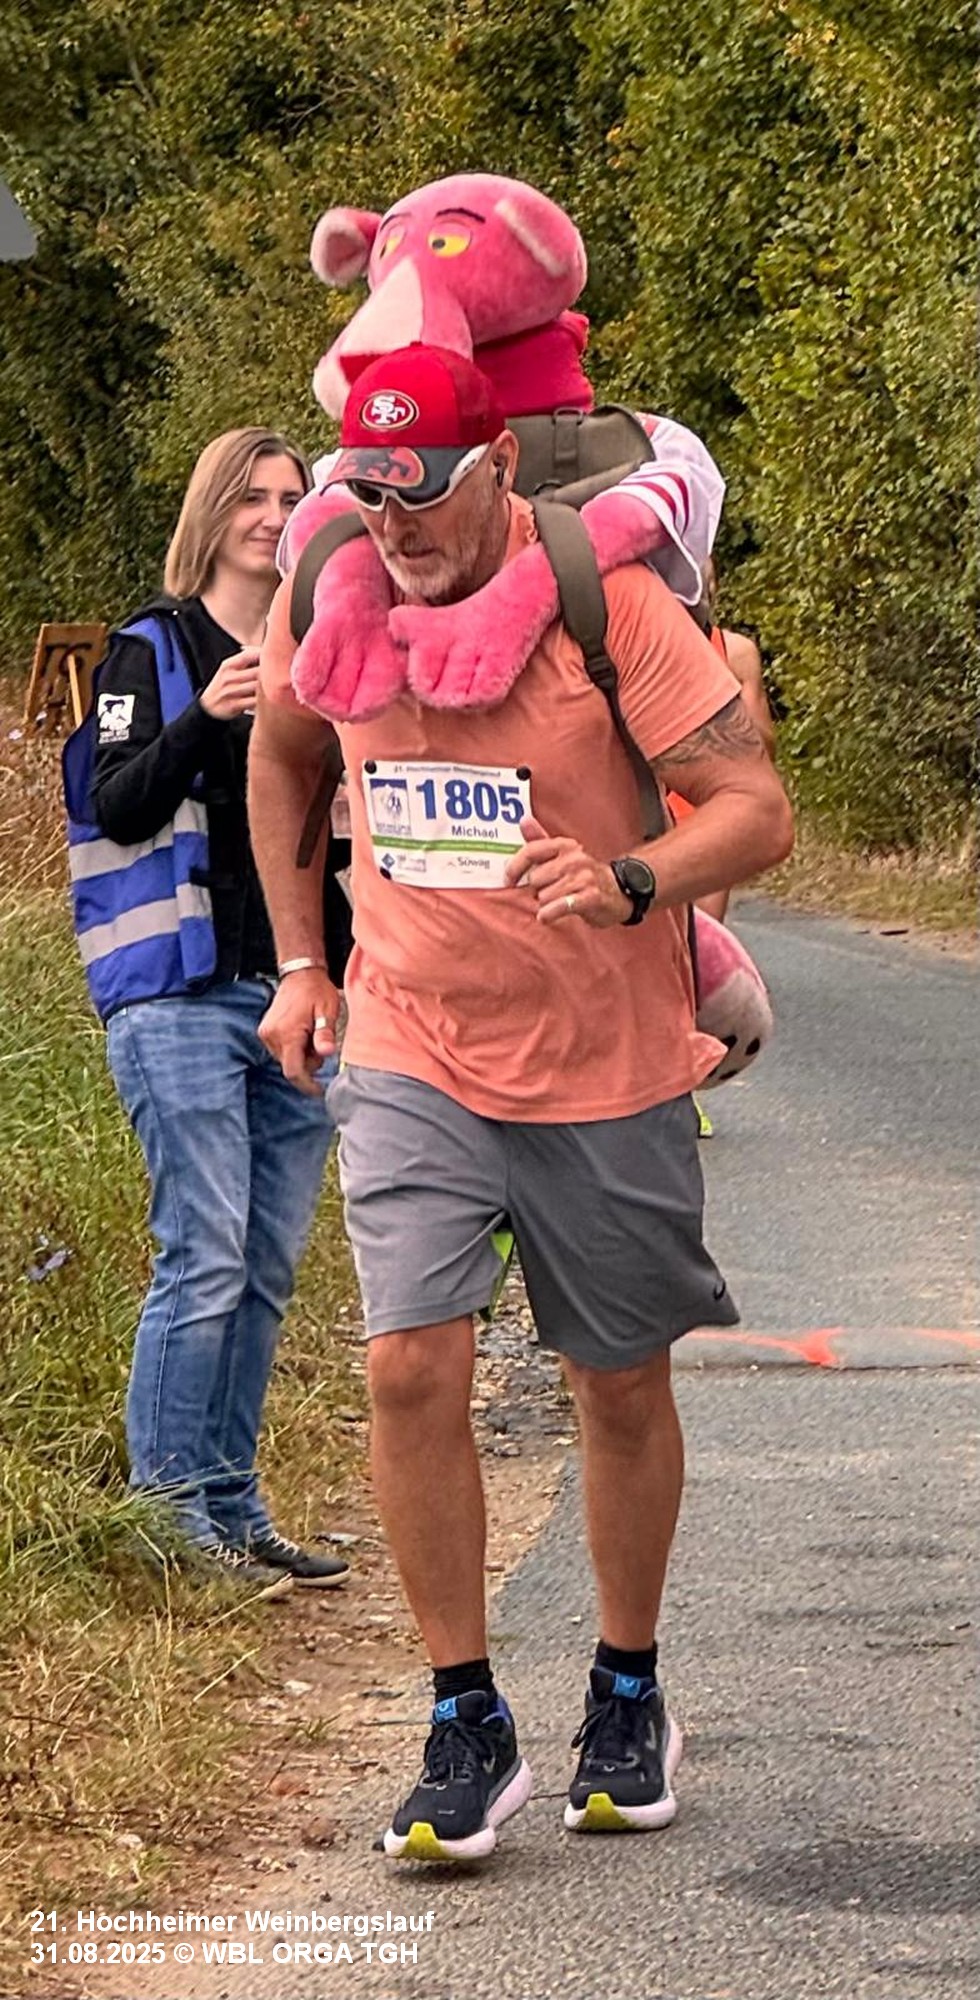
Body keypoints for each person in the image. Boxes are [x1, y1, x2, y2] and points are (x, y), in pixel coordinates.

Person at [250, 346, 793, 1851]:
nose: (396, 526)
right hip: (410, 1041)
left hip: (603, 1056)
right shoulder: (334, 592)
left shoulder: (602, 603)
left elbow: (755, 810)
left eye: (422, 492)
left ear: (495, 464)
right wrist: (301, 962)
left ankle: (626, 1685)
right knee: (408, 1367)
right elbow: (283, 759)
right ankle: (462, 1714)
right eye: (371, 494)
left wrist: (633, 878)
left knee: (613, 1380)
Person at [83, 427, 351, 1598]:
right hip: (177, 994)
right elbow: (112, 801)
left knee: (263, 1263)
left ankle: (233, 1505)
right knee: (202, 1254)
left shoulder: (318, 649)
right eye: (251, 496)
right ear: (211, 510)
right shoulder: (147, 648)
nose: (273, 515)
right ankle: (167, 1509)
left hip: (292, 993)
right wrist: (203, 714)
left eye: (291, 496)